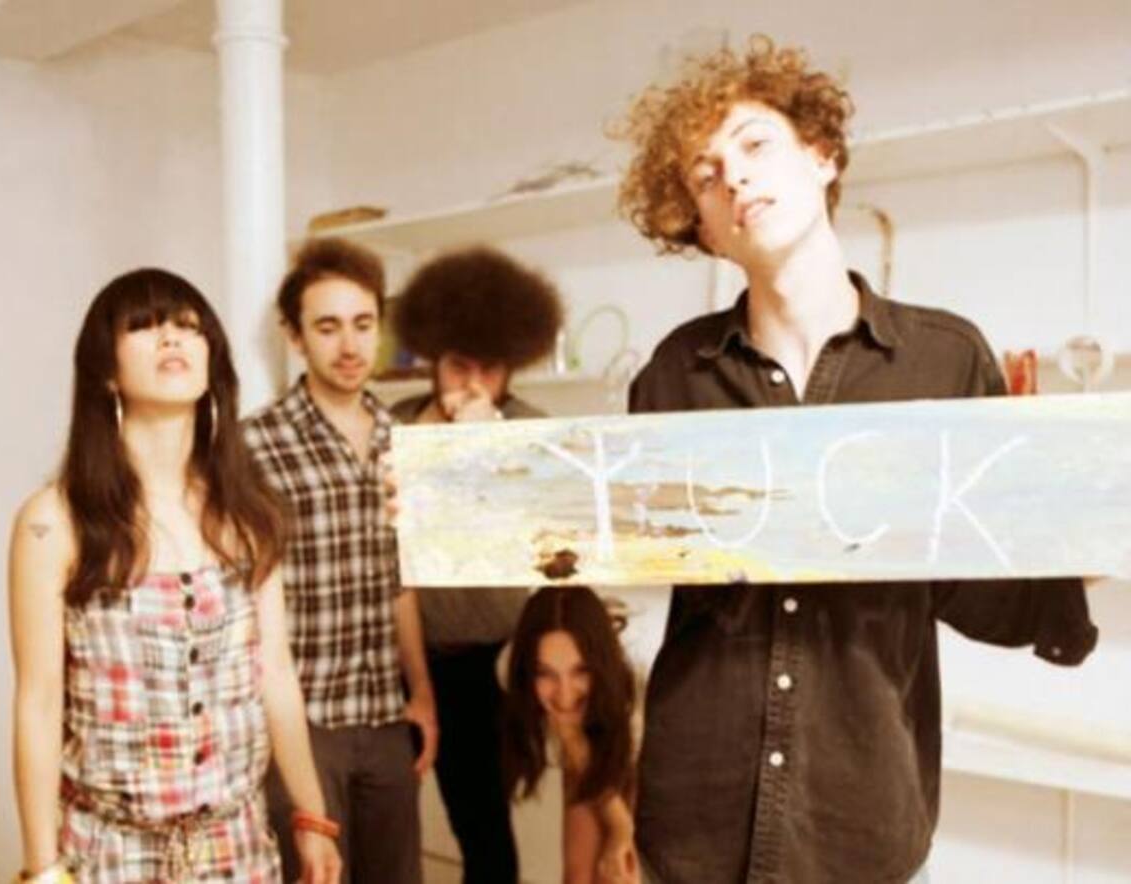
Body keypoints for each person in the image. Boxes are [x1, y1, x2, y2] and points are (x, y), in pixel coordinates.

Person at [614, 35, 1098, 884]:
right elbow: (616, 541)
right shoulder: (672, 373)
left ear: (821, 155)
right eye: (706, 174)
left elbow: (977, 588)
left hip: (861, 819)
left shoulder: (945, 361)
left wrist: (1087, 542)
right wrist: (454, 503)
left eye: (755, 145)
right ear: (704, 228)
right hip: (693, 820)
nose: (734, 179)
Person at [9, 268, 341, 883]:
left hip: (236, 847)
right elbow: (39, 701)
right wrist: (42, 868)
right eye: (144, 326)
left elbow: (275, 673)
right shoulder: (53, 521)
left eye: (190, 326)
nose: (172, 338)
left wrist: (312, 816)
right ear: (106, 371)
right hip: (108, 851)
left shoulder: (250, 515)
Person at [243, 237, 436, 884]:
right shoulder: (253, 445)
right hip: (302, 724)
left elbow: (400, 580)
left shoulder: (402, 441)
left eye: (363, 324)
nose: (350, 346)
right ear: (294, 336)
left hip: (385, 716)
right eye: (327, 327)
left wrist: (422, 694)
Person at [388, 245, 564, 884]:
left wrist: (490, 448)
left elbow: (549, 538)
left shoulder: (529, 430)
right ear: (433, 359)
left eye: (490, 369)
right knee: (386, 829)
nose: (473, 383)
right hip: (390, 659)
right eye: (459, 365)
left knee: (484, 832)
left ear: (511, 368)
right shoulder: (394, 423)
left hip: (484, 663)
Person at [503, 586, 639, 884]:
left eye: (580, 671)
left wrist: (620, 830)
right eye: (545, 673)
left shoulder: (630, 707)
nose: (564, 696)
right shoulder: (510, 680)